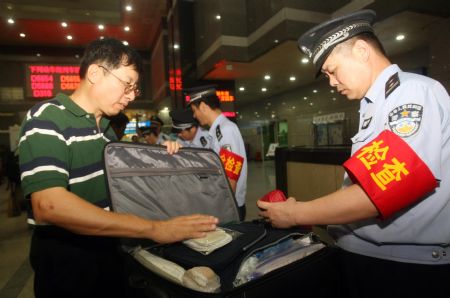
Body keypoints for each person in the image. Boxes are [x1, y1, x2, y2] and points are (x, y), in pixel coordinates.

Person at [257, 9, 450, 298]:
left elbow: (383, 188)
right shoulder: (374, 105)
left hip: (402, 268)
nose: (331, 82)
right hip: (370, 257)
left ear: (361, 50)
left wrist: (297, 213)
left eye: (332, 70)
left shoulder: (412, 95)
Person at [18, 38, 218, 298]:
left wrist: (167, 158)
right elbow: (49, 205)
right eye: (127, 84)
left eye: (135, 89)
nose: (132, 95)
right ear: (94, 73)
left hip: (109, 248)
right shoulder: (47, 117)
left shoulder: (108, 131)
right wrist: (154, 229)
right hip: (67, 259)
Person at [188, 86, 247, 221]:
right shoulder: (216, 131)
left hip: (229, 205)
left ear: (202, 106)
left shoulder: (226, 130)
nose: (194, 115)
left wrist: (222, 209)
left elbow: (231, 176)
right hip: (223, 201)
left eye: (194, 110)